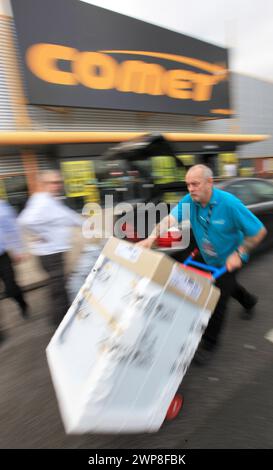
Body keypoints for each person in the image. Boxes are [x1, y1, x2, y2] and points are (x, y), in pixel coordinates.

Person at [138, 164, 267, 365]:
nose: (190, 188)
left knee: (217, 298)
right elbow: (169, 219)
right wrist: (151, 237)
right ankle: (248, 301)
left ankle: (209, 343)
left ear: (210, 183)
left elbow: (259, 232)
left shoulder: (230, 204)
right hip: (206, 254)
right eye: (188, 184)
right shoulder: (190, 201)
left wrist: (240, 253)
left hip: (229, 259)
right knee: (222, 285)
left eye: (195, 184)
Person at [18, 170, 83, 327]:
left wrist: (85, 223)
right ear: (43, 184)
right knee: (59, 289)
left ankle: (63, 317)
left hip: (54, 252)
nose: (57, 186)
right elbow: (25, 221)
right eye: (53, 182)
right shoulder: (42, 201)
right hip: (50, 254)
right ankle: (61, 323)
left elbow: (67, 216)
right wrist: (41, 235)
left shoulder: (52, 200)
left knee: (59, 286)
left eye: (59, 182)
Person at [0, 199, 29, 333]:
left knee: (11, 288)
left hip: (2, 257)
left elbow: (12, 228)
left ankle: (22, 303)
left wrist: (18, 250)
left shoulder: (2, 206)